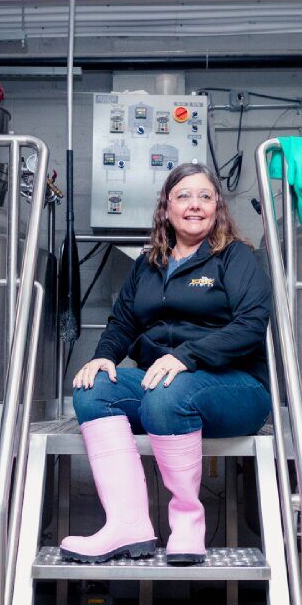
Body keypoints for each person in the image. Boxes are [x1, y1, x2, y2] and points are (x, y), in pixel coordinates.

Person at [60, 162, 272, 565]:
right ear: (167, 208)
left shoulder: (234, 257)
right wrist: (103, 356)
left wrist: (186, 356)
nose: (195, 205)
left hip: (236, 388)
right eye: (184, 196)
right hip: (164, 386)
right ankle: (127, 523)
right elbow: (122, 322)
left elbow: (251, 325)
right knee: (93, 390)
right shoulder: (148, 264)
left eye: (205, 196)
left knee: (164, 394)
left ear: (218, 208)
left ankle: (188, 525)